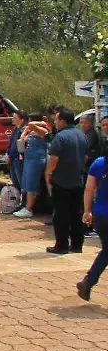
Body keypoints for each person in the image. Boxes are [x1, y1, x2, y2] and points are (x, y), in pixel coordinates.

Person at [46, 108, 88, 255]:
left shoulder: (60, 137)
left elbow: (54, 160)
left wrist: (49, 174)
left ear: (63, 121)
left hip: (61, 181)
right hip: (78, 180)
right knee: (76, 214)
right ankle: (77, 244)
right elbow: (85, 157)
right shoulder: (81, 135)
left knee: (61, 215)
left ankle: (61, 245)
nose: (55, 122)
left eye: (56, 119)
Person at [77, 152, 108, 301]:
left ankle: (88, 282)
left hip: (101, 215)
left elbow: (89, 189)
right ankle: (88, 281)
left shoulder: (99, 163)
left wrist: (87, 211)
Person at [14, 113, 51, 218]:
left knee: (32, 184)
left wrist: (36, 123)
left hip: (37, 159)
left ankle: (29, 209)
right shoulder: (31, 131)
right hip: (29, 158)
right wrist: (26, 132)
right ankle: (25, 205)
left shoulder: (42, 130)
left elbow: (34, 125)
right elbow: (22, 140)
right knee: (26, 183)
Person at [7, 110, 26, 191]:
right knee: (14, 181)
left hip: (19, 160)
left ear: (21, 120)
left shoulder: (23, 131)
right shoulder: (15, 129)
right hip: (12, 160)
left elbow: (17, 146)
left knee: (20, 181)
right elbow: (11, 144)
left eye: (14, 117)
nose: (12, 119)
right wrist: (7, 153)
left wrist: (10, 157)